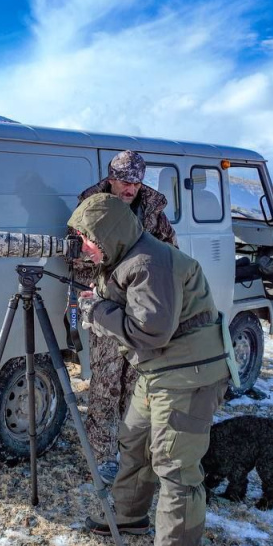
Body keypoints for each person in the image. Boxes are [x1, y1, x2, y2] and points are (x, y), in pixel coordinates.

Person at [67, 193, 229, 546]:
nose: (85, 247)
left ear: (110, 232)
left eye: (89, 238)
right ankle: (128, 514)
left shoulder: (147, 261)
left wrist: (98, 311)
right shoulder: (126, 257)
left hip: (187, 374)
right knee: (134, 437)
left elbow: (150, 332)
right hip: (160, 370)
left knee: (175, 465)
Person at [72, 150, 177, 485]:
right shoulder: (92, 207)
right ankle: (99, 459)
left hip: (140, 307)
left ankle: (131, 459)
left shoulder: (152, 211)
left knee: (135, 385)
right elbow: (74, 258)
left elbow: (170, 254)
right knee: (105, 384)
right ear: (111, 177)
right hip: (104, 305)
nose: (130, 188)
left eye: (136, 181)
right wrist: (100, 268)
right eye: (125, 180)